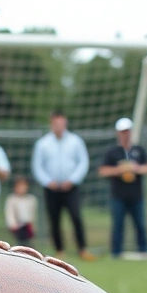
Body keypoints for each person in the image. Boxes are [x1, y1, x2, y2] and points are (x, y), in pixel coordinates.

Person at [32, 110, 95, 260]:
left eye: (61, 123)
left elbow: (83, 162)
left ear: (65, 123)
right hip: (51, 188)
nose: (59, 126)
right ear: (51, 124)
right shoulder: (43, 144)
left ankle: (82, 249)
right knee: (54, 219)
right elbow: (37, 166)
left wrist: (73, 180)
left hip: (71, 187)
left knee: (76, 216)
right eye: (56, 124)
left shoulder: (75, 141)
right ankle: (59, 250)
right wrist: (48, 181)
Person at [98, 117, 147, 257]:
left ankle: (144, 251)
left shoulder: (138, 150)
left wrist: (136, 168)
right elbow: (103, 171)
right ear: (118, 133)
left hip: (136, 195)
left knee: (140, 224)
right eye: (123, 131)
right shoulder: (112, 152)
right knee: (118, 225)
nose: (125, 134)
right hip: (118, 195)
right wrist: (119, 170)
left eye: (127, 131)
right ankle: (116, 253)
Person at [5, 176, 38, 244]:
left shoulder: (31, 199)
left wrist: (32, 226)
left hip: (28, 226)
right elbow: (9, 213)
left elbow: (33, 214)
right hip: (17, 226)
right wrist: (12, 225)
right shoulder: (12, 199)